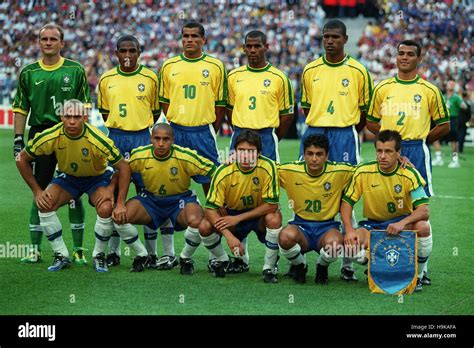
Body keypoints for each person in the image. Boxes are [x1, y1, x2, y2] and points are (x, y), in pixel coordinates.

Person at [15, 99, 148, 273]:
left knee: (106, 208)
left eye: (77, 116)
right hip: (68, 178)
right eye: (68, 116)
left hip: (97, 178)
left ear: (85, 117)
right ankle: (61, 255)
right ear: (61, 117)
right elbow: (21, 159)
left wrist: (119, 199)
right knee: (45, 203)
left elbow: (123, 167)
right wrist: (37, 191)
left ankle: (99, 255)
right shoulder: (51, 135)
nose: (72, 121)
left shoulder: (98, 138)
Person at [366, 40, 450, 284]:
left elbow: (444, 125)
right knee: (386, 201)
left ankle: (421, 270)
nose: (404, 57)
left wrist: (421, 139)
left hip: (416, 150)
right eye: (400, 53)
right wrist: (391, 146)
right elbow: (371, 121)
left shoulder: (429, 90)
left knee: (419, 210)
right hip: (389, 151)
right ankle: (389, 260)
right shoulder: (383, 87)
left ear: (419, 59)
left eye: (410, 54)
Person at [300, 19, 373, 281]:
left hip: (344, 134)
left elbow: (364, 112)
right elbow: (306, 108)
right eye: (325, 37)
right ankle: (299, 257)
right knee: (309, 187)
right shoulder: (310, 69)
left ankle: (348, 263)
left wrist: (345, 127)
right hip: (315, 131)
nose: (329, 41)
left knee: (346, 195)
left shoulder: (358, 71)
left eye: (334, 37)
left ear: (345, 39)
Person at [12, 23, 90, 266]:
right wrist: (18, 139)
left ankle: (78, 249)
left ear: (61, 43)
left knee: (74, 193)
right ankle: (35, 250)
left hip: (70, 134)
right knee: (41, 191)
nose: (48, 42)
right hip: (40, 134)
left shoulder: (75, 70)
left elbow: (85, 107)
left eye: (53, 39)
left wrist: (78, 131)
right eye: (44, 39)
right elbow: (21, 108)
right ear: (39, 42)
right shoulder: (28, 72)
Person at [158, 21, 226, 265]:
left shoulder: (215, 66)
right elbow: (165, 101)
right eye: (185, 36)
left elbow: (220, 105)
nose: (189, 40)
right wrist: (178, 119)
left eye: (195, 36)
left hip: (203, 132)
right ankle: (168, 252)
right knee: (168, 186)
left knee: (212, 190)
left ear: (203, 40)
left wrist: (208, 128)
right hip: (175, 131)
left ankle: (214, 252)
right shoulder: (169, 65)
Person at [97, 34, 161, 269]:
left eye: (131, 51)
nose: (127, 55)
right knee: (113, 198)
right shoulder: (106, 79)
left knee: (149, 197)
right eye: (122, 51)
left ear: (139, 53)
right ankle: (113, 252)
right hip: (115, 140)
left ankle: (152, 253)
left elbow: (154, 112)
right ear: (116, 54)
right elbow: (105, 113)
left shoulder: (150, 77)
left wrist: (138, 127)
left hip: (142, 140)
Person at [340, 130, 432, 292]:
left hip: (401, 226)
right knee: (351, 246)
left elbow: (424, 210)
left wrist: (401, 223)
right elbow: (347, 203)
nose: (383, 156)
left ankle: (419, 274)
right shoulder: (363, 172)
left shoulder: (409, 174)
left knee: (423, 226)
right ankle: (374, 263)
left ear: (398, 153)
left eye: (388, 151)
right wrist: (348, 230)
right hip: (372, 226)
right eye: (379, 151)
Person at [120, 123, 217, 275]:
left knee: (198, 222)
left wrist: (216, 202)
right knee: (121, 216)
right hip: (152, 200)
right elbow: (124, 169)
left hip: (180, 200)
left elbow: (214, 172)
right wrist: (119, 202)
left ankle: (185, 257)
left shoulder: (185, 156)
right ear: (151, 139)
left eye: (166, 139)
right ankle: (142, 254)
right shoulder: (140, 154)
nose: (161, 143)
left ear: (173, 140)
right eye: (157, 138)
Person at [199, 129, 282, 283]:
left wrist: (237, 218)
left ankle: (269, 267)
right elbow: (209, 209)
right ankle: (224, 260)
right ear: (234, 152)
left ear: (259, 153)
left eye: (250, 151)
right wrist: (229, 236)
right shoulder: (223, 171)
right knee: (204, 226)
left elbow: (271, 205)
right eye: (241, 150)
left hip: (258, 216)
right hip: (232, 213)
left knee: (274, 217)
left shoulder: (268, 166)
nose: (245, 155)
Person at [278, 134, 354, 284]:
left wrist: (399, 160)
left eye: (319, 154)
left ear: (326, 156)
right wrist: (233, 161)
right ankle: (300, 265)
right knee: (285, 237)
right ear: (304, 155)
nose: (314, 159)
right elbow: (263, 170)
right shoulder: (290, 170)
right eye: (310, 154)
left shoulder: (340, 171)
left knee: (335, 245)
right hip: (301, 227)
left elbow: (368, 171)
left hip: (327, 227)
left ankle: (322, 266)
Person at [227, 30, 294, 162]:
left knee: (267, 180)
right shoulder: (233, 76)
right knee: (237, 179)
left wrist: (273, 137)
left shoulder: (280, 78)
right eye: (249, 46)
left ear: (266, 47)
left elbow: (287, 116)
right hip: (240, 134)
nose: (253, 50)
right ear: (243, 48)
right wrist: (240, 131)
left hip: (266, 136)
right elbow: (229, 110)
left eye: (257, 46)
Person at [431, 81, 467, 168]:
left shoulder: (456, 97)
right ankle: (438, 158)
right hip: (442, 119)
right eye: (449, 84)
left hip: (453, 120)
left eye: (452, 84)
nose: (450, 85)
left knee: (453, 141)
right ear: (446, 86)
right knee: (435, 137)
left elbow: (464, 106)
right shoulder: (443, 97)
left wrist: (460, 105)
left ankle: (455, 160)